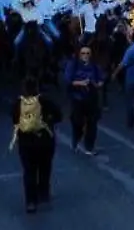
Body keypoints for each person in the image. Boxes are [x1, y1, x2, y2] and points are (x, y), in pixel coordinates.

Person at [9, 78, 61, 214]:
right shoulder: (45, 102)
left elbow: (14, 119)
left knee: (29, 171)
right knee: (45, 168)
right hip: (46, 143)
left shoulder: (18, 103)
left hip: (27, 144)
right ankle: (43, 193)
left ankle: (31, 202)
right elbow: (59, 116)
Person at [63, 45, 103, 154]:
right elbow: (68, 80)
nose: (85, 55)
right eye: (83, 53)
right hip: (77, 99)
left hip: (91, 98)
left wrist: (96, 84)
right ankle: (76, 140)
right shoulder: (73, 64)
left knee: (92, 123)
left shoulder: (95, 66)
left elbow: (101, 80)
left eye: (88, 53)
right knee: (77, 122)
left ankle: (89, 147)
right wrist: (80, 83)